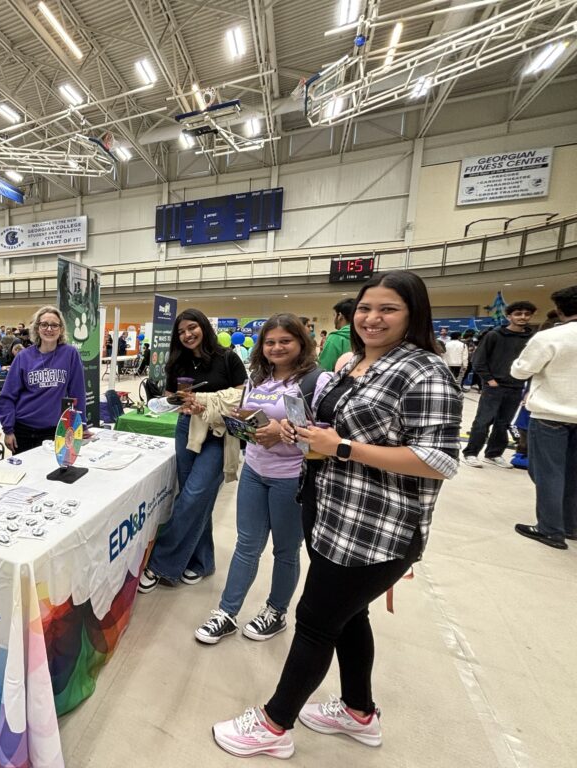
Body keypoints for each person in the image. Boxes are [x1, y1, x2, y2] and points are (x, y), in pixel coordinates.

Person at [212, 270, 461, 760]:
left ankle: (273, 724)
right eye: (367, 308)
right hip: (330, 511)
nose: (373, 318)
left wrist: (342, 448)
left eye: (388, 309)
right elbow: (327, 428)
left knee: (315, 621)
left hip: (377, 529)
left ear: (413, 314)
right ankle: (358, 712)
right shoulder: (354, 364)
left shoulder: (424, 370)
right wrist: (297, 434)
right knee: (348, 617)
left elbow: (440, 460)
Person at [195, 314, 331, 645]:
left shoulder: (317, 381)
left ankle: (276, 611)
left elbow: (325, 438)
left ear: (301, 342)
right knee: (247, 545)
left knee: (285, 550)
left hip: (291, 478)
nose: (276, 347)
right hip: (255, 471)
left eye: (285, 341)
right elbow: (249, 413)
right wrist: (242, 420)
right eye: (270, 342)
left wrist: (283, 433)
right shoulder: (259, 377)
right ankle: (227, 612)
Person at [139, 309, 248, 593]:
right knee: (193, 499)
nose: (187, 335)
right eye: (181, 332)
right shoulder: (178, 362)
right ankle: (202, 562)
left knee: (194, 495)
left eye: (192, 328)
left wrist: (205, 402)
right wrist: (176, 401)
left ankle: (160, 563)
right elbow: (171, 398)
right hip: (186, 428)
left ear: (203, 327)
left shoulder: (228, 358)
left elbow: (242, 397)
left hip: (218, 434)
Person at [510, 286, 577, 549]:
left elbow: (520, 371)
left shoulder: (552, 336)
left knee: (548, 472)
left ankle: (550, 529)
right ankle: (570, 525)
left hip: (551, 413)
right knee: (573, 472)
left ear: (559, 310)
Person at [0, 306, 85, 454]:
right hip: (24, 430)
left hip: (55, 431)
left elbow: (78, 393)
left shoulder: (70, 354)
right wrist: (8, 430)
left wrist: (81, 425)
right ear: (37, 328)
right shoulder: (23, 357)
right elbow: (7, 396)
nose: (49, 329)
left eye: (54, 325)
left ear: (61, 329)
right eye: (44, 324)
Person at [462, 300, 536, 468]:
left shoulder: (533, 338)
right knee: (483, 421)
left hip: (516, 388)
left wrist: (528, 389)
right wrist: (490, 380)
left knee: (503, 423)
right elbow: (478, 360)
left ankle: (494, 453)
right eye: (518, 313)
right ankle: (471, 453)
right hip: (494, 386)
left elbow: (534, 365)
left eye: (527, 314)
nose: (523, 317)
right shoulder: (494, 335)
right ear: (509, 316)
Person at [317, 299, 355, 371]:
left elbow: (324, 368)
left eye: (334, 315)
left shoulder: (335, 338)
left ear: (340, 316)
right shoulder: (364, 336)